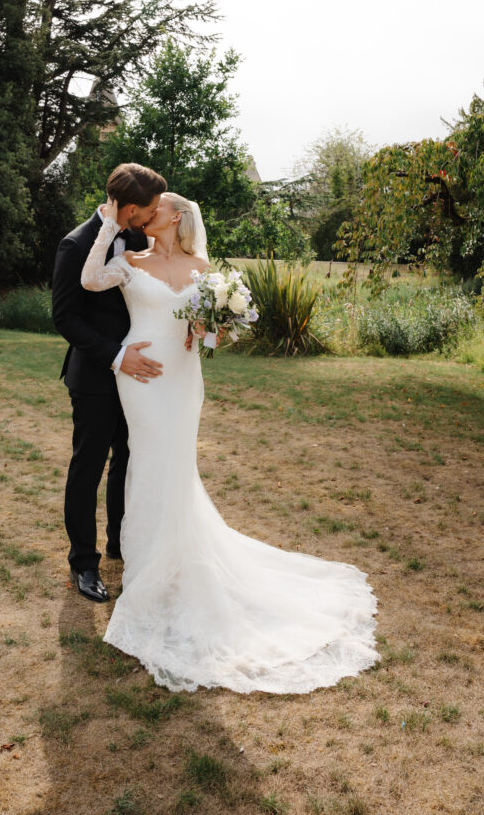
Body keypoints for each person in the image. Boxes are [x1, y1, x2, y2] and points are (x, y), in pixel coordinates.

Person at [79, 191, 380, 694]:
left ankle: (177, 563)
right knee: (148, 463)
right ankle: (151, 571)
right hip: (143, 377)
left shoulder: (203, 266)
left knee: (176, 466)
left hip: (184, 378)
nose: (146, 212)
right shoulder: (127, 259)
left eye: (156, 208)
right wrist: (108, 226)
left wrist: (205, 330)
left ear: (177, 217)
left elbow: (216, 330)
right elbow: (90, 281)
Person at [52, 163, 167, 603]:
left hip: (139, 382)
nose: (152, 215)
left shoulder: (139, 237)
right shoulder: (76, 244)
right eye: (150, 208)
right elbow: (65, 317)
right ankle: (83, 563)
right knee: (89, 466)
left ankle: (121, 544)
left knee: (128, 461)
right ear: (132, 208)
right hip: (96, 378)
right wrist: (118, 356)